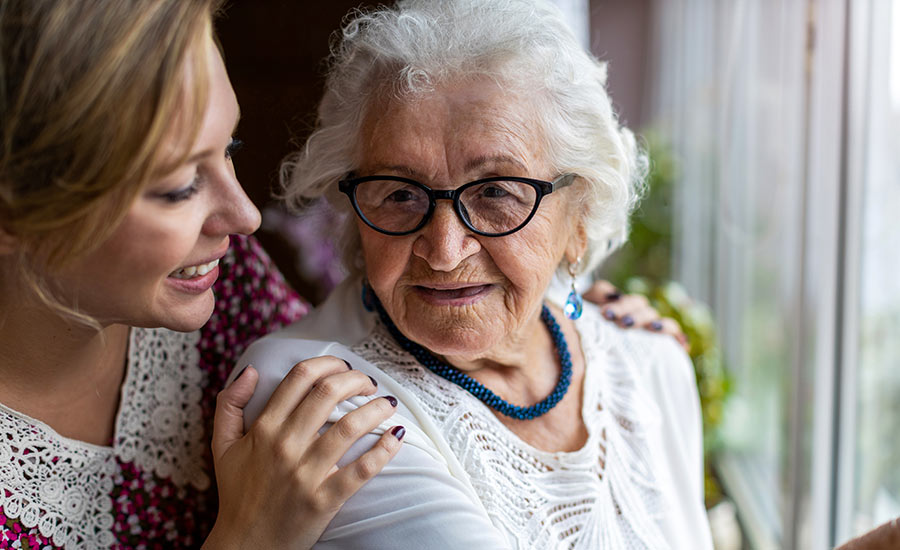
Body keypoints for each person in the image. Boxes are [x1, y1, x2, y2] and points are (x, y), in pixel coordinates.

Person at [237, 0, 713, 548]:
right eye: (400, 193)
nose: (443, 250)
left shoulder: (649, 364)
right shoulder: (316, 396)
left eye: (495, 192)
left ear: (578, 218)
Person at [0, 2, 406, 548]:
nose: (245, 216)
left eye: (229, 149)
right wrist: (248, 537)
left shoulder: (220, 284)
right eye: (179, 186)